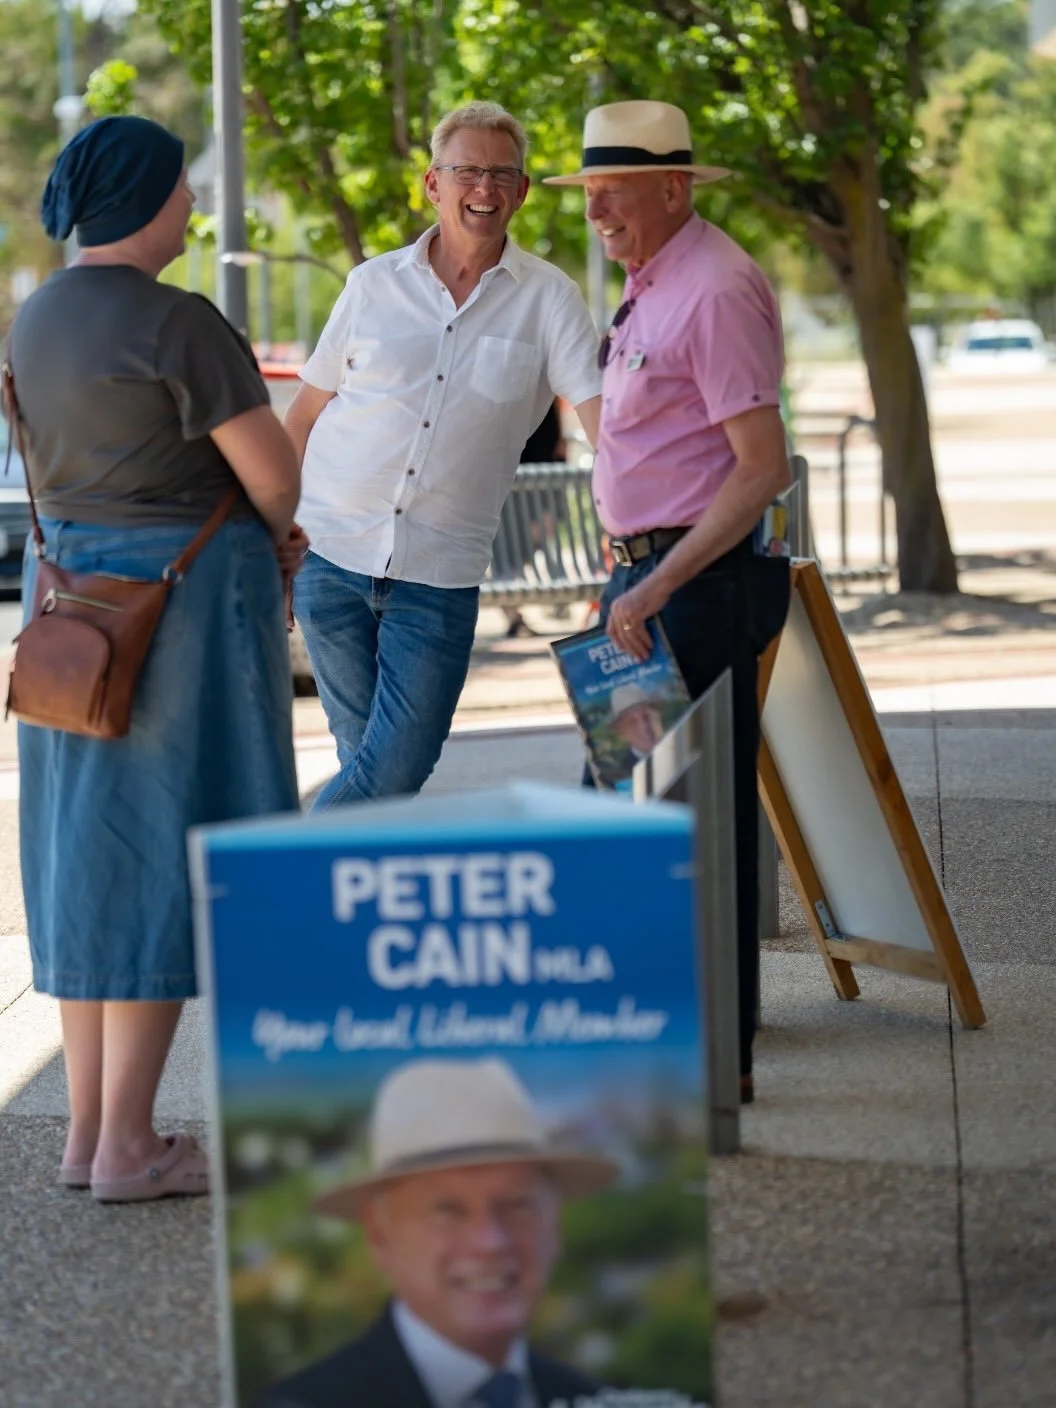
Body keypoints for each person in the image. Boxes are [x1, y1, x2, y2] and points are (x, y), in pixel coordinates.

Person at [5, 116, 305, 1201]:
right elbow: (273, 479)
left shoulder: (36, 318)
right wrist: (282, 528)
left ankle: (91, 1136)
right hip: (176, 620)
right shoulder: (179, 323)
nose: (192, 209)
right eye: (183, 191)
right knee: (164, 864)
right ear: (143, 198)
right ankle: (130, 1146)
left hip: (71, 620)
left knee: (86, 865)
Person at [545, 101, 792, 1104]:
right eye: (588, 187)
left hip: (694, 588)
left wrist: (652, 579)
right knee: (631, 819)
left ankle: (715, 1063)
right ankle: (656, 1032)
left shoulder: (717, 287)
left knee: (697, 828)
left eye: (613, 187)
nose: (595, 204)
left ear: (675, 187)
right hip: (646, 582)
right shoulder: (653, 284)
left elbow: (759, 467)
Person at [283, 101, 602, 808]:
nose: (483, 188)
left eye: (500, 174)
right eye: (467, 171)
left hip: (439, 574)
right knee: (368, 769)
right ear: (434, 183)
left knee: (395, 769)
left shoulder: (550, 300)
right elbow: (302, 417)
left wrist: (640, 530)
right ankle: (346, 913)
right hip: (330, 558)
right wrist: (270, 536)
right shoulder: (371, 285)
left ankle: (274, 880)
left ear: (521, 190)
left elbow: (606, 427)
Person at [256, 1058, 617, 1408]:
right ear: (380, 1236)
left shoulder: (593, 1399)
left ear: (554, 1226)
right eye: (447, 1212)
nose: (490, 1242)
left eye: (517, 1207)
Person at [501, 399, 565, 639]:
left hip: (530, 491)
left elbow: (556, 448)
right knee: (509, 555)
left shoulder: (547, 399)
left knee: (515, 554)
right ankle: (513, 615)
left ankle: (513, 613)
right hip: (514, 491)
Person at [609, 682, 665, 761]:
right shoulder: (626, 770)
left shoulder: (678, 747)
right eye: (633, 722)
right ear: (622, 733)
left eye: (646, 717)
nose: (644, 727)